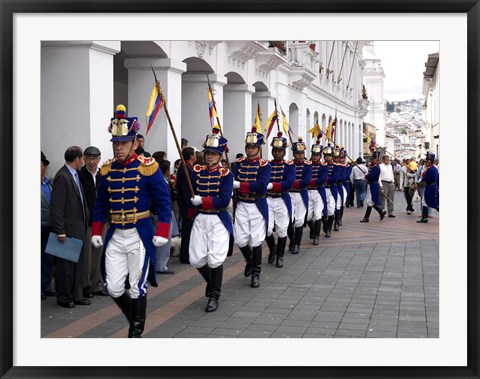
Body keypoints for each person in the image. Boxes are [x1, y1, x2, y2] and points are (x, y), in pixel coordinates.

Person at [91, 104, 171, 338]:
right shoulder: (106, 169)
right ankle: (134, 315)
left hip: (139, 232)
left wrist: (163, 230)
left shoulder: (148, 167)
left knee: (137, 285)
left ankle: (135, 330)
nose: (119, 148)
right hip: (116, 232)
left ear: (134, 143)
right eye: (116, 143)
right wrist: (97, 230)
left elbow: (163, 200)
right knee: (114, 287)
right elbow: (100, 203)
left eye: (123, 143)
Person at [189, 126, 233, 312]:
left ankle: (214, 294)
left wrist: (203, 200)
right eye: (208, 153)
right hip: (201, 219)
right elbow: (189, 191)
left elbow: (224, 200)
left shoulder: (226, 174)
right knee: (197, 258)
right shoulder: (197, 171)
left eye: (214, 154)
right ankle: (211, 281)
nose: (209, 157)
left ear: (221, 155)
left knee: (215, 259)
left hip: (217, 219)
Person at [50, 146, 90, 308]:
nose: (83, 161)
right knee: (65, 267)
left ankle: (76, 294)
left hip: (78, 227)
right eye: (82, 158)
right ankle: (64, 297)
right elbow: (57, 207)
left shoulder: (75, 175)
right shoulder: (62, 176)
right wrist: (59, 230)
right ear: (77, 159)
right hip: (67, 228)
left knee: (77, 265)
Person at [234, 126, 271, 288]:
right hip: (242, 204)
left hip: (257, 204)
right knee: (240, 239)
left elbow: (262, 185)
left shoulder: (264, 165)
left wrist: (239, 184)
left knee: (256, 240)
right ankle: (250, 260)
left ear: (259, 148)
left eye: (253, 147)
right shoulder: (237, 164)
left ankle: (256, 272)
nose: (250, 150)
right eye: (248, 147)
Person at [78, 146, 108, 298]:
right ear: (83, 159)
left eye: (94, 159)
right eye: (88, 158)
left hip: (102, 220)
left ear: (99, 159)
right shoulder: (80, 175)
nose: (91, 162)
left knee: (99, 253)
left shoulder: (103, 174)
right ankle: (86, 285)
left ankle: (97, 284)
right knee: (87, 255)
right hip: (88, 222)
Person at [265, 132, 295, 267]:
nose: (277, 153)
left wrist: (272, 185)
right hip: (267, 199)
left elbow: (289, 183)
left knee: (283, 229)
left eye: (280, 151)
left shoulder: (289, 166)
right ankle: (272, 249)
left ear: (284, 152)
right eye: (275, 150)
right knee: (266, 229)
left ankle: (280, 256)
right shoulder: (265, 165)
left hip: (281, 199)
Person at [287, 136, 312, 254]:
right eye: (297, 153)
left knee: (299, 220)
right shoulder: (288, 165)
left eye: (301, 153)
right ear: (294, 153)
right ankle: (292, 239)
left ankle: (297, 243)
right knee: (287, 221)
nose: (300, 156)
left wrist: (291, 183)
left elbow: (306, 182)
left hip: (301, 195)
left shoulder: (307, 165)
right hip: (289, 194)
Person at [153, 159, 177, 275]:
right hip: (162, 214)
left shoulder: (166, 181)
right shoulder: (161, 182)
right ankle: (160, 265)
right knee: (164, 241)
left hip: (166, 212)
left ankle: (161, 264)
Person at [176, 146, 197, 264]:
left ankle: (188, 252)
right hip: (187, 204)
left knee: (189, 229)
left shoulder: (189, 168)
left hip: (188, 202)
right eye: (194, 154)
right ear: (190, 156)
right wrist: (190, 203)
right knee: (187, 229)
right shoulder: (185, 169)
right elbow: (185, 190)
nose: (196, 155)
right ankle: (185, 255)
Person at [306, 139, 327, 245]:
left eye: (317, 155)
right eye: (313, 155)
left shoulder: (323, 166)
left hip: (318, 192)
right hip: (307, 192)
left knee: (318, 214)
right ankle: (313, 230)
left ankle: (316, 236)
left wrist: (309, 182)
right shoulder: (307, 165)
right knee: (308, 216)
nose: (315, 157)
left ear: (320, 156)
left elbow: (322, 180)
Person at [41, 151, 55, 300]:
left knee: (48, 257)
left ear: (44, 166)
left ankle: (46, 286)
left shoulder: (50, 183)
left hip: (49, 226)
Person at [360, 151, 387, 222]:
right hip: (371, 184)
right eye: (372, 158)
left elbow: (373, 176)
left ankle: (367, 217)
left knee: (370, 201)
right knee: (371, 201)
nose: (372, 160)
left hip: (373, 185)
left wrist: (367, 176)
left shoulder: (376, 168)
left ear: (376, 159)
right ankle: (380, 211)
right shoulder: (373, 166)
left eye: (374, 159)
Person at [417, 152, 439, 223]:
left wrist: (424, 172)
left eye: (427, 161)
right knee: (433, 202)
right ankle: (424, 217)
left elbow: (425, 178)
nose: (425, 163)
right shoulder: (435, 169)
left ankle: (424, 218)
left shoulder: (430, 169)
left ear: (430, 161)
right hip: (434, 187)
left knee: (425, 201)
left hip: (430, 187)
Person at [321, 144, 338, 238]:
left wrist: (324, 178)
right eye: (326, 156)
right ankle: (325, 223)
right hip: (322, 189)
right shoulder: (321, 165)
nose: (327, 158)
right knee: (321, 210)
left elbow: (334, 178)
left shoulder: (335, 166)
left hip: (331, 189)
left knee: (331, 209)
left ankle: (328, 229)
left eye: (329, 156)